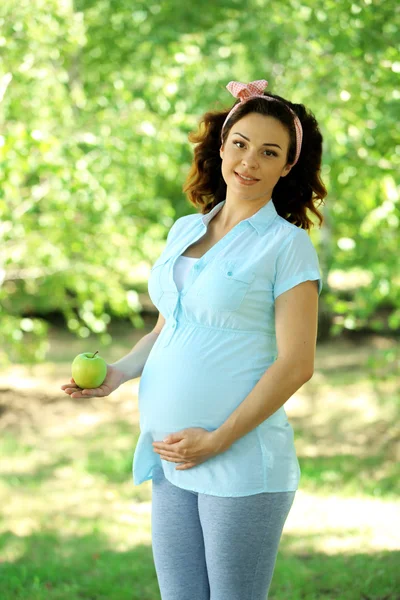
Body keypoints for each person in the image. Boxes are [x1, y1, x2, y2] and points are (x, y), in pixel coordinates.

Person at [61, 78, 327, 599]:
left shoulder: (287, 245)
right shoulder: (185, 230)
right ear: (222, 145)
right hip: (172, 453)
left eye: (269, 152)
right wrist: (116, 374)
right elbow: (167, 327)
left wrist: (219, 439)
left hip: (240, 459)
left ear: (287, 165)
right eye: (240, 144)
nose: (249, 162)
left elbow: (297, 364)